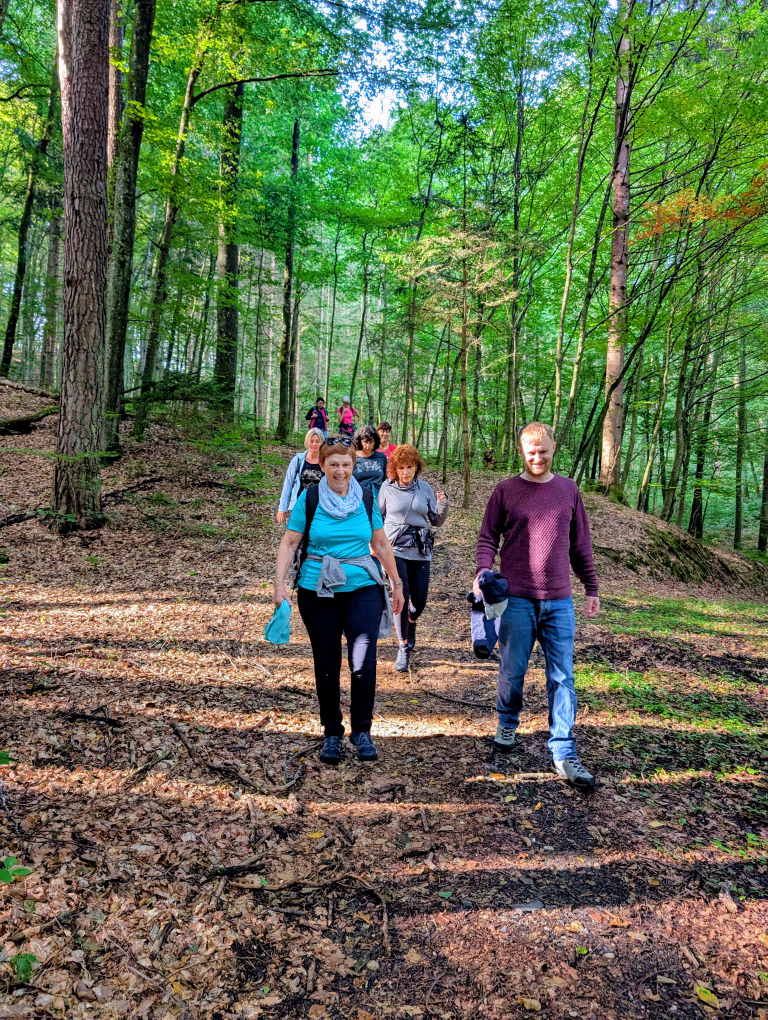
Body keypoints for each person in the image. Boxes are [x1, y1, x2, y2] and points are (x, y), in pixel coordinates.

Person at [474, 421, 600, 790]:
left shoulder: (568, 490)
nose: (538, 457)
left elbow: (581, 545)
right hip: (516, 599)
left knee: (563, 677)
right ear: (522, 452)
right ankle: (507, 725)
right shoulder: (505, 491)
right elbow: (487, 538)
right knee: (512, 671)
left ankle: (563, 751)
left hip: (559, 601)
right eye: (531, 452)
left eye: (543, 451)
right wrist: (483, 570)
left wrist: (590, 585)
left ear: (553, 448)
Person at [274, 435, 405, 765]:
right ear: (322, 465)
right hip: (318, 590)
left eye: (346, 464)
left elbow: (381, 543)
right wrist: (279, 585)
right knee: (327, 662)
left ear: (354, 465)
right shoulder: (310, 498)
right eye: (333, 464)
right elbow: (290, 543)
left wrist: (397, 583)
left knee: (363, 662)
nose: (340, 470)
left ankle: (362, 731)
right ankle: (332, 732)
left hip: (363, 588)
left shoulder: (366, 497)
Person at [378, 444, 449, 672]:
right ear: (395, 469)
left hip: (420, 550)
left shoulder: (424, 488)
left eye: (410, 467)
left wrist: (443, 505)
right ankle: (403, 646)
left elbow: (436, 521)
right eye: (401, 468)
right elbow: (377, 519)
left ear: (416, 467)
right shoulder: (387, 488)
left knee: (419, 601)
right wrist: (374, 546)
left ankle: (410, 622)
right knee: (401, 594)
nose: (405, 472)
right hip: (394, 549)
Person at [276, 428, 324, 524]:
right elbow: (288, 483)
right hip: (299, 505)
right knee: (296, 536)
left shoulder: (326, 461)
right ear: (307, 442)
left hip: (320, 507)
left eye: (317, 441)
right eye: (311, 441)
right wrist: (282, 507)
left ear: (322, 443)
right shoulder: (298, 460)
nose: (314, 444)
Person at [352, 425, 388, 495]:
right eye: (365, 442)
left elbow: (384, 480)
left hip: (378, 495)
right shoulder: (352, 458)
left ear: (375, 442)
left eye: (371, 442)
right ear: (360, 441)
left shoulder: (381, 457)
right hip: (358, 495)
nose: (368, 446)